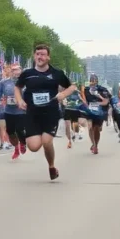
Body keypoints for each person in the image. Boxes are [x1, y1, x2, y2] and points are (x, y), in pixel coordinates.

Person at [14, 44, 76, 181]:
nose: (39, 57)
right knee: (34, 147)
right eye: (37, 54)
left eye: (42, 54)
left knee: (47, 142)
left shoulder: (56, 73)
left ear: (48, 57)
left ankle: (52, 166)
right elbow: (17, 87)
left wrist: (63, 94)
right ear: (34, 56)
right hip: (32, 114)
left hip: (50, 113)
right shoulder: (27, 74)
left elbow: (72, 86)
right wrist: (19, 100)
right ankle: (34, 137)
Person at [1, 62, 26, 159]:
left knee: (20, 129)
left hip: (21, 110)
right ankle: (16, 148)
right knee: (10, 131)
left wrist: (23, 102)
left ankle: (23, 143)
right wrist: (0, 100)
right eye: (13, 70)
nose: (15, 72)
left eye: (17, 70)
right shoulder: (5, 82)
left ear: (21, 71)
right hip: (9, 110)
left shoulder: (25, 82)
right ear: (11, 71)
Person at [81, 74, 111, 155]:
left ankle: (96, 144)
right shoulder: (86, 90)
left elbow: (106, 101)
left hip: (100, 111)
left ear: (97, 81)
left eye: (95, 81)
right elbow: (84, 100)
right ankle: (94, 145)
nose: (93, 83)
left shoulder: (103, 90)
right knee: (90, 127)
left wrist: (98, 103)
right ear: (89, 81)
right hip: (90, 110)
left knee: (97, 128)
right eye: (91, 81)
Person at [62, 78, 84, 149]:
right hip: (67, 110)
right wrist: (63, 102)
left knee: (75, 124)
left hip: (75, 110)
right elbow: (62, 99)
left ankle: (76, 134)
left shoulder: (77, 92)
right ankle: (69, 141)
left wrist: (79, 104)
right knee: (67, 125)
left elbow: (81, 100)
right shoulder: (65, 92)